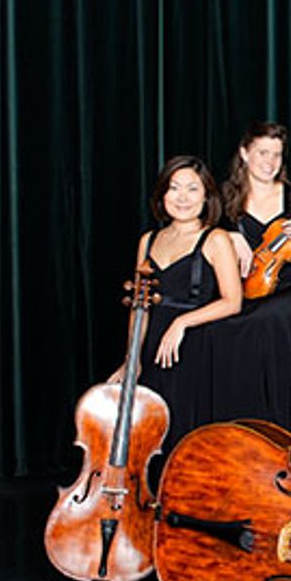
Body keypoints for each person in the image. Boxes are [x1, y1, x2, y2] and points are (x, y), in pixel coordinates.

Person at [114, 156, 242, 456]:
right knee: (148, 439)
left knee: (185, 439)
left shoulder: (215, 239)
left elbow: (233, 301)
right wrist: (132, 359)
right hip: (152, 351)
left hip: (193, 349)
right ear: (162, 195)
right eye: (174, 188)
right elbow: (139, 308)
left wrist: (182, 322)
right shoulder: (148, 241)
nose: (182, 197)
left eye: (192, 189)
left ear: (206, 196)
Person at [210, 122, 291, 430]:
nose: (270, 162)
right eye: (263, 153)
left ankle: (275, 429)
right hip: (248, 292)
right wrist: (227, 235)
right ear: (244, 153)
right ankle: (239, 428)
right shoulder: (225, 199)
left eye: (277, 154)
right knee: (228, 329)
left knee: (267, 322)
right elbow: (203, 242)